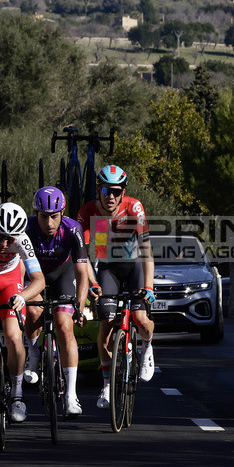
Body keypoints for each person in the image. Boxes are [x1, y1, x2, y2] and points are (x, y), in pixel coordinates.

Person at [75, 165, 156, 411]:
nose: (110, 196)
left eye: (116, 191)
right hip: (107, 267)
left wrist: (149, 286)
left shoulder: (134, 207)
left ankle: (147, 346)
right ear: (98, 190)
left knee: (141, 320)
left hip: (134, 267)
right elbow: (82, 256)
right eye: (105, 190)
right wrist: (92, 283)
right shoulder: (87, 212)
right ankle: (107, 384)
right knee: (107, 324)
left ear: (123, 193)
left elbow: (147, 250)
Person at [26, 186, 93, 417]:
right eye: (43, 216)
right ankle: (33, 355)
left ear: (62, 213)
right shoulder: (27, 228)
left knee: (64, 326)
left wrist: (80, 307)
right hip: (34, 276)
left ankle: (71, 395)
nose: (49, 223)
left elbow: (82, 274)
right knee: (33, 311)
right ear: (36, 214)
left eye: (54, 216)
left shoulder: (73, 229)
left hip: (63, 275)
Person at [0, 202, 45, 422]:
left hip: (9, 280)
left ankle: (17, 395)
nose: (5, 244)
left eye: (10, 240)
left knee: (14, 338)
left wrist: (22, 296)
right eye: (1, 237)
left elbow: (39, 280)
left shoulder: (23, 240)